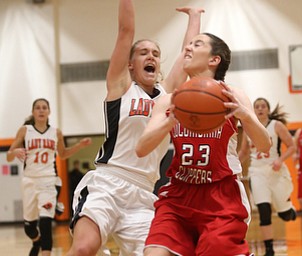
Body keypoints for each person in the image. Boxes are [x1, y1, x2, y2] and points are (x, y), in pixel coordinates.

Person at [66, 1, 204, 255]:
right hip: (107, 183)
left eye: (155, 53)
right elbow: (125, 31)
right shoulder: (122, 87)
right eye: (143, 53)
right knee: (84, 248)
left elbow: (187, 56)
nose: (151, 56)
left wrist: (194, 17)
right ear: (130, 65)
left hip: (142, 193)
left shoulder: (166, 94)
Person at [135, 33, 272, 256]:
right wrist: (170, 120)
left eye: (196, 44)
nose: (188, 48)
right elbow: (141, 148)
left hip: (221, 195)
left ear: (214, 59)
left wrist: (246, 116)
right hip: (179, 194)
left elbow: (264, 145)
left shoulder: (233, 95)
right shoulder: (169, 99)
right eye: (188, 44)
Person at [6, 98, 92, 256]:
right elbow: (9, 157)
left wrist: (79, 146)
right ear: (33, 112)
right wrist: (14, 152)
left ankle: (46, 250)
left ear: (49, 112)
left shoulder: (56, 132)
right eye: (37, 108)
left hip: (48, 180)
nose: (41, 110)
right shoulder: (25, 131)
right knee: (29, 227)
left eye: (44, 107)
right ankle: (36, 241)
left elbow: (63, 154)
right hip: (29, 181)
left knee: (45, 221)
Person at [238, 98, 296, 256]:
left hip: (275, 171)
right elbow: (244, 152)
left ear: (268, 110)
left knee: (284, 214)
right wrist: (232, 164)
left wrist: (280, 160)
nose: (260, 109)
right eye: (257, 107)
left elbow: (292, 146)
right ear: (253, 110)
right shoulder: (249, 127)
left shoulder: (276, 125)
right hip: (257, 172)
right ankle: (269, 250)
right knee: (264, 210)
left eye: (263, 106)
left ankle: (289, 210)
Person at [293, 128, 302, 212]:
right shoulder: (299, 132)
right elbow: (295, 147)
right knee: (300, 198)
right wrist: (296, 154)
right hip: (301, 169)